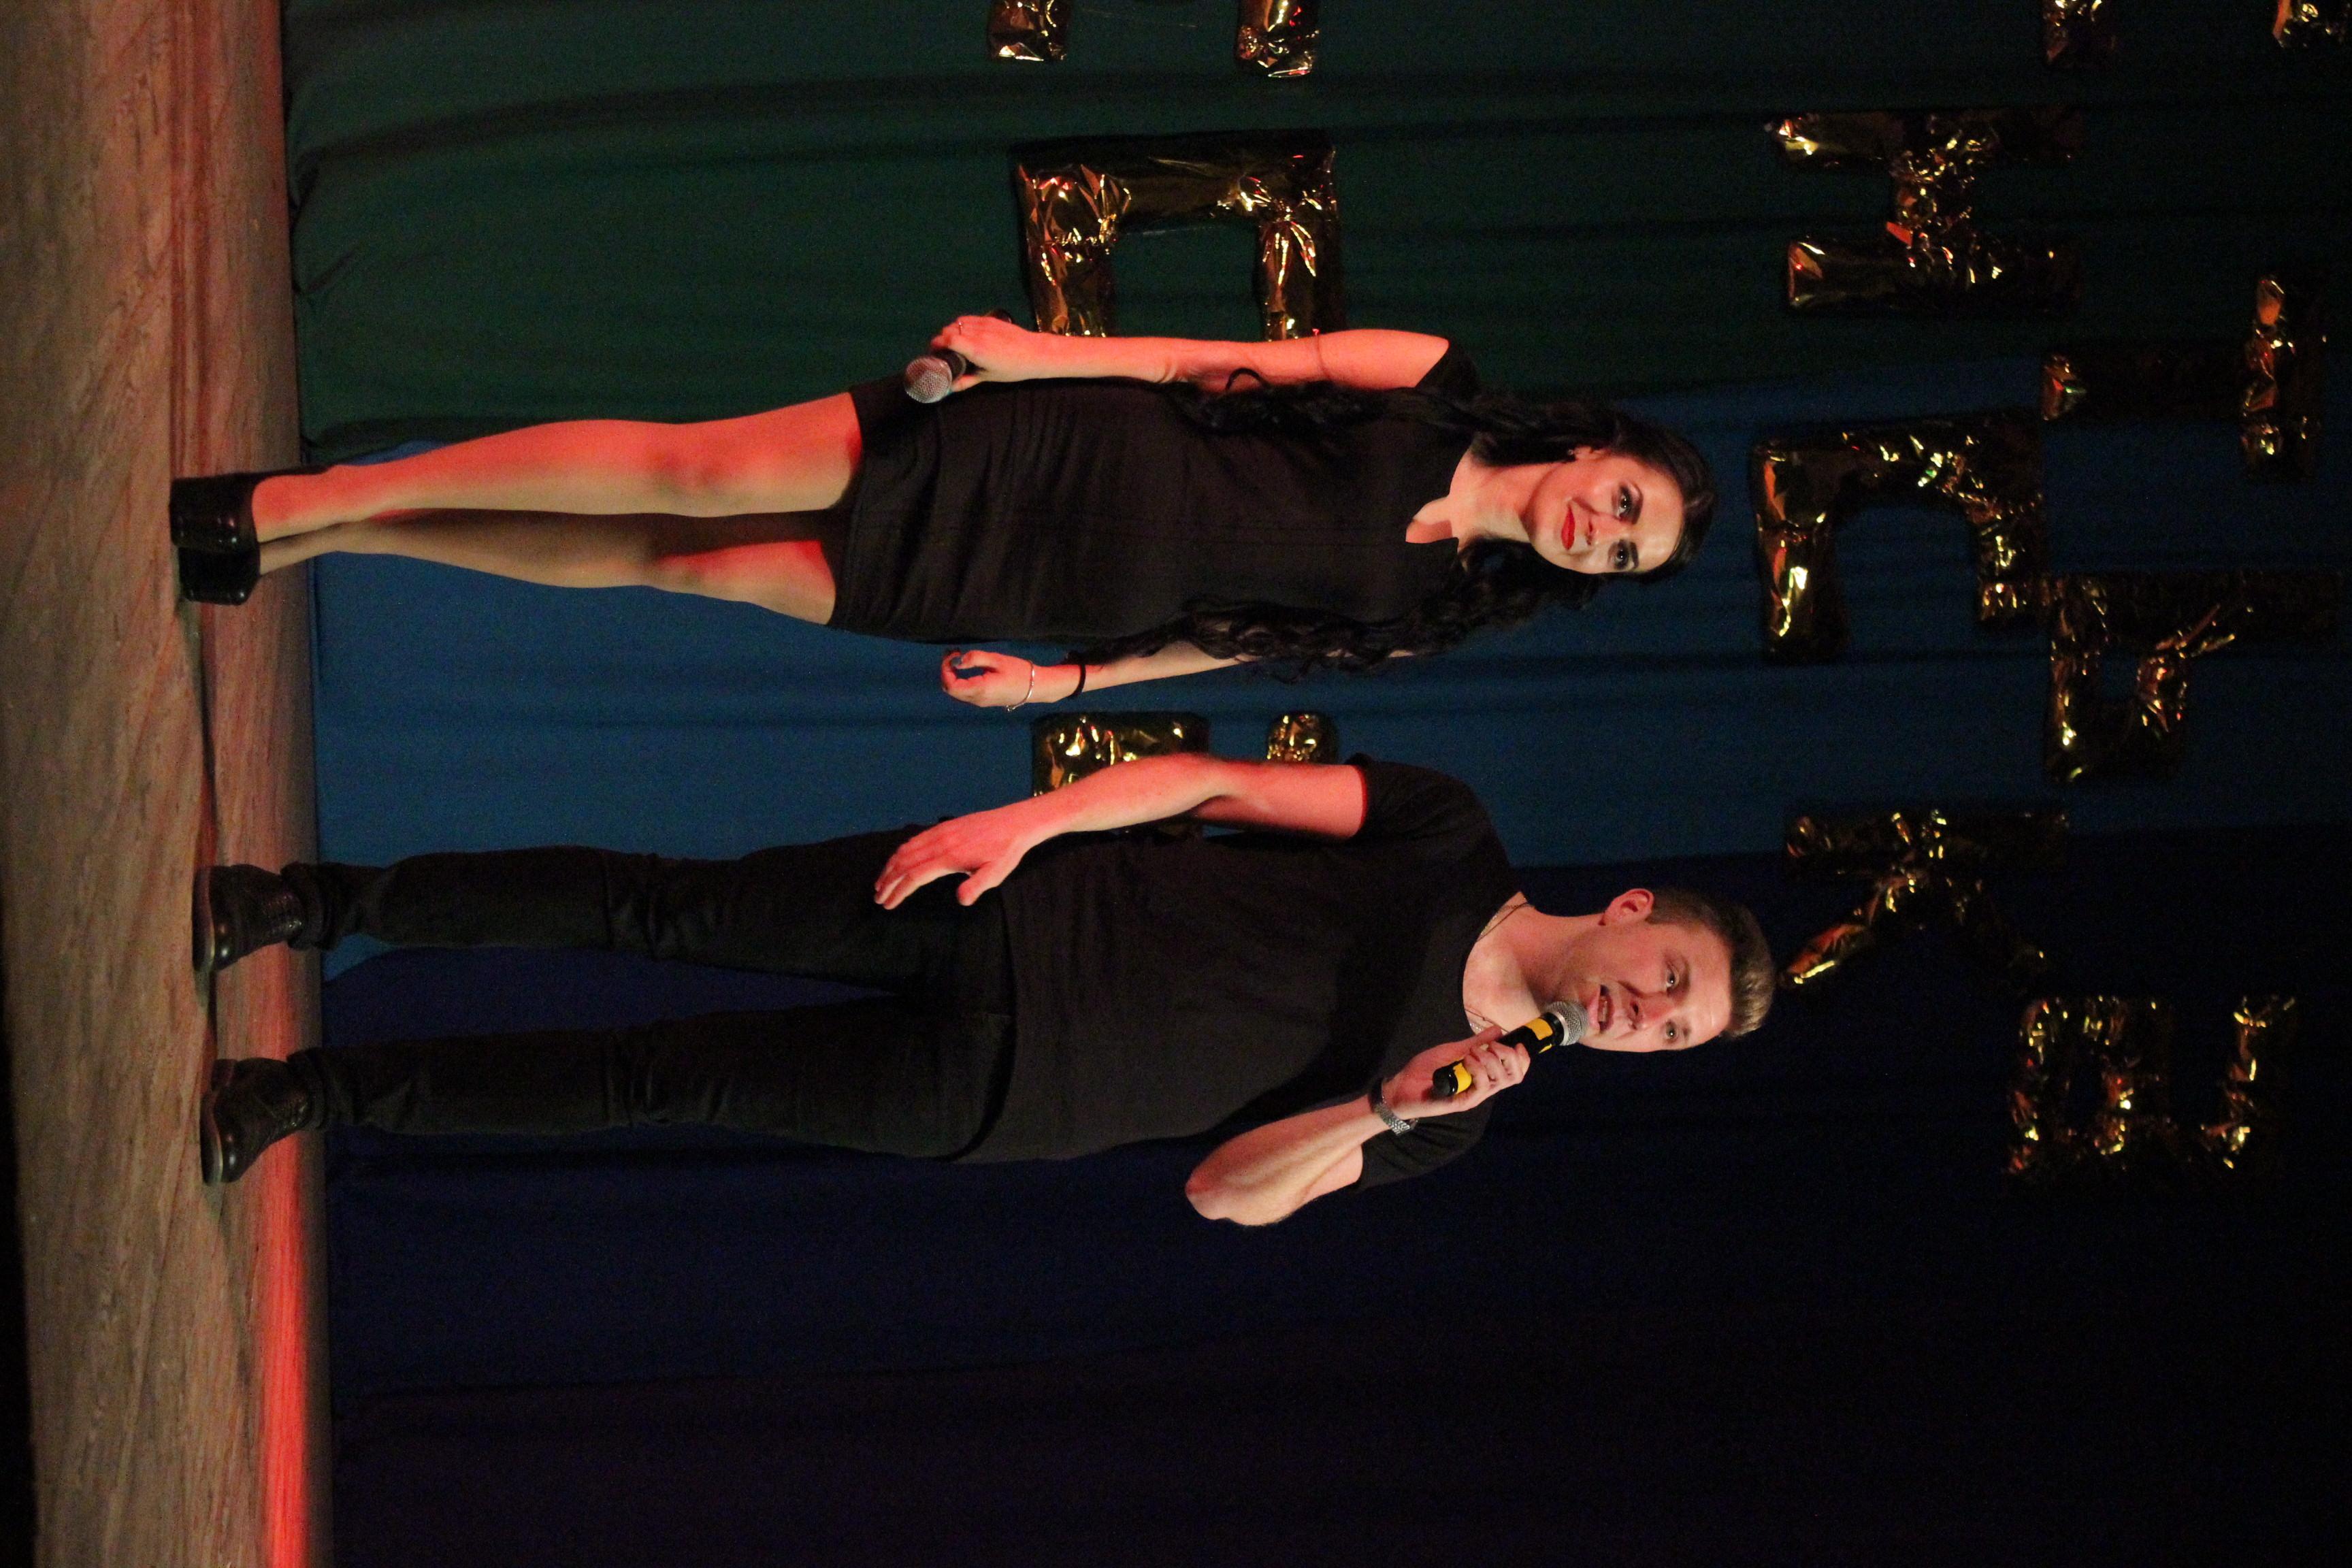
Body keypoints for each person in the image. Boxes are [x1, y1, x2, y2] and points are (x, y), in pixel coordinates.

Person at [196, 753, 1775, 1218]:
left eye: (1674, 1033)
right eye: (1670, 980)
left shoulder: (1455, 1119)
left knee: (655, 1080)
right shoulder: (1450, 835)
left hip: (1001, 1098)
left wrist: (1382, 1108)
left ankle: (312, 1093)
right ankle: (314, 904)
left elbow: (1224, 1197)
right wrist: (1028, 823)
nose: (1647, 1016)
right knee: (659, 909)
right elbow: (1211, 784)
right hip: (1010, 917)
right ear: (1636, 911)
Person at [169, 319, 1716, 707]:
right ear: (1600, 448)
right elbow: (1222, 363)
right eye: (1625, 501)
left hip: (1047, 593)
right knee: (698, 474)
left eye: (1628, 552)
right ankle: (301, 496)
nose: (1604, 531)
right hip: (1056, 455)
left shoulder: (1443, 616)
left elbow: (1236, 647)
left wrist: (1069, 684)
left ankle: (343, 539)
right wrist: (1035, 357)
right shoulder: (1435, 381)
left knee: (684, 566)